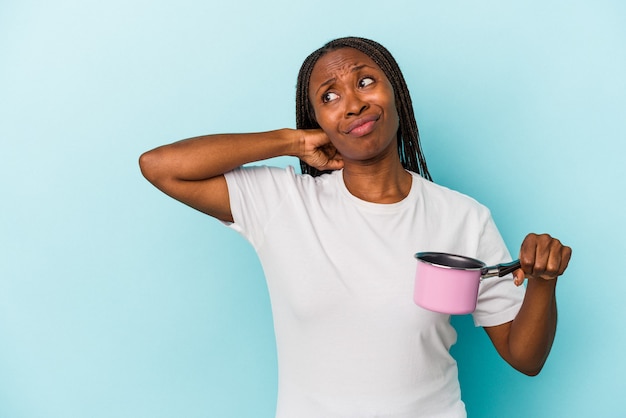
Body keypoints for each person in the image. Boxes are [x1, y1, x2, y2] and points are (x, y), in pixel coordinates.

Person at [139, 36, 572, 417]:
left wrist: (544, 282)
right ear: (318, 122)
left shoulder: (462, 217)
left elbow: (525, 356)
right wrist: (291, 141)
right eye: (329, 97)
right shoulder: (284, 204)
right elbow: (160, 167)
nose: (353, 102)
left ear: (396, 93)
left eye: (365, 82)